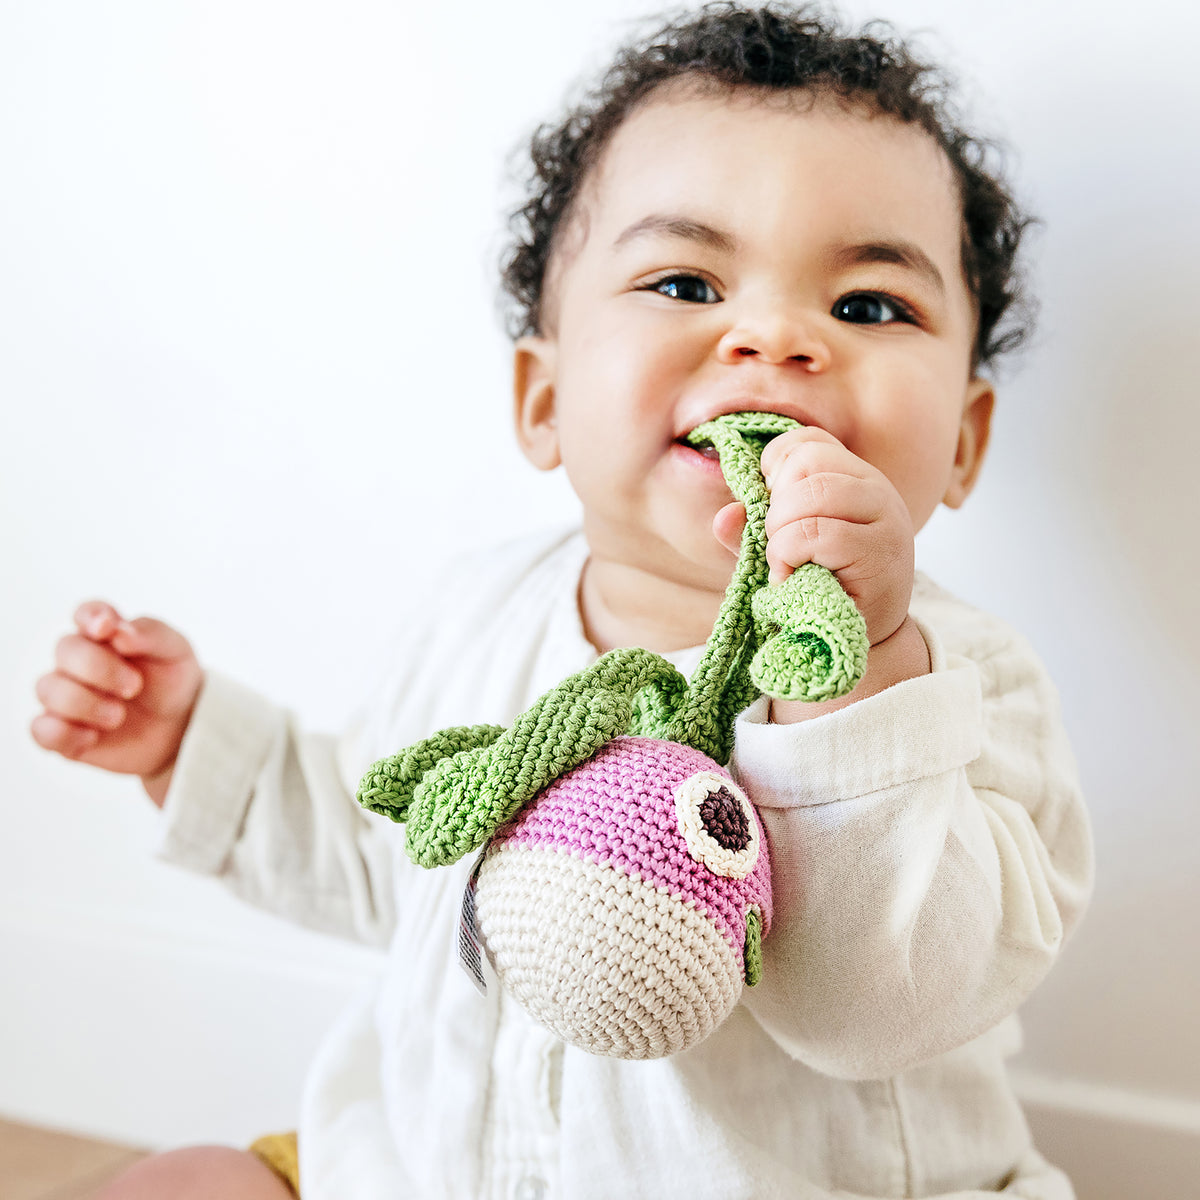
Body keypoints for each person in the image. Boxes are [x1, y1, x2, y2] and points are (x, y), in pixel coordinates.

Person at [30, 4, 1094, 1197]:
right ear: (543, 400)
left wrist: (853, 673)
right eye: (687, 280)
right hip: (428, 1170)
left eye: (867, 306)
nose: (775, 337)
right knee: (176, 1182)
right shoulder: (481, 612)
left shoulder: (967, 685)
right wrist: (191, 746)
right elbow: (393, 852)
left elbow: (879, 1006)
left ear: (963, 439)